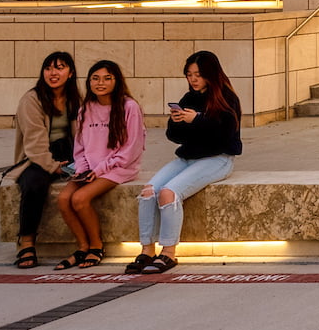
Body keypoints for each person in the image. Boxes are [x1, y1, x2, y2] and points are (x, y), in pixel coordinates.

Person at [124, 50, 243, 276]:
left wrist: (197, 120)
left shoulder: (227, 99)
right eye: (189, 75)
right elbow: (174, 136)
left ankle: (168, 252)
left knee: (168, 193)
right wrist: (178, 122)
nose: (193, 79)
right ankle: (147, 250)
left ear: (211, 74)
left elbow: (225, 135)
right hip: (187, 157)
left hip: (218, 158)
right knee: (149, 191)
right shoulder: (189, 98)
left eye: (198, 74)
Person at [50, 60, 144, 270]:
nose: (100, 83)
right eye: (95, 78)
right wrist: (83, 169)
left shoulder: (129, 107)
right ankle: (82, 247)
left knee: (80, 199)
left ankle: (96, 247)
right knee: (64, 199)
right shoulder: (86, 109)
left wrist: (99, 170)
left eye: (107, 78)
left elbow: (131, 149)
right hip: (90, 169)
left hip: (118, 168)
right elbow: (80, 147)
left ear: (116, 81)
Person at [8, 51, 81, 269]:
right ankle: (27, 242)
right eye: (48, 68)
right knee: (34, 184)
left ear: (70, 73)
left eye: (59, 67)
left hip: (68, 153)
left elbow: (83, 135)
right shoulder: (31, 100)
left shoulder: (75, 99)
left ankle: (87, 244)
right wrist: (53, 167)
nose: (53, 73)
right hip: (38, 157)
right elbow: (34, 144)